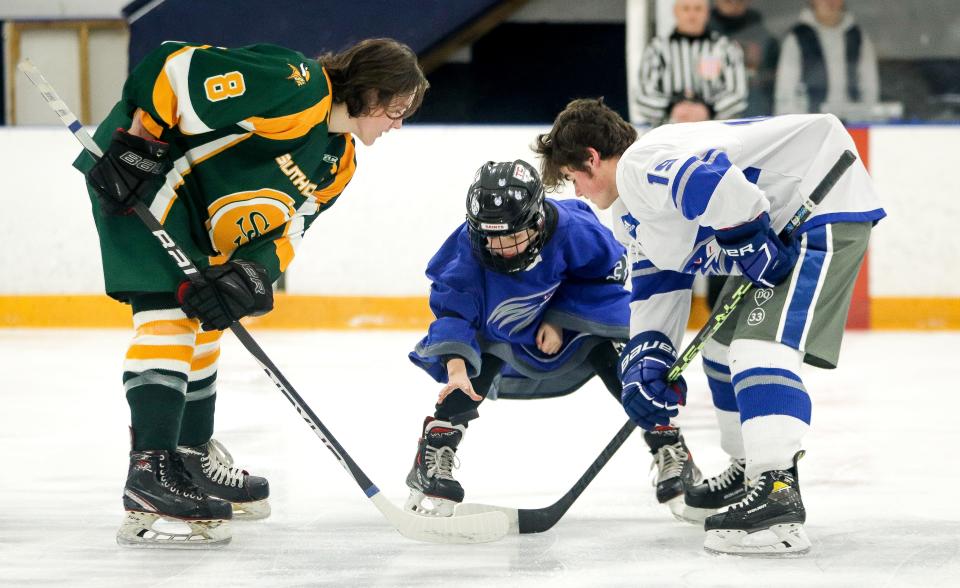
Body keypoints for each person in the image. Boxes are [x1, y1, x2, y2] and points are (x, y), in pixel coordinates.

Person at [73, 38, 428, 548]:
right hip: (144, 178)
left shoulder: (339, 161)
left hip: (199, 208)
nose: (397, 123)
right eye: (396, 109)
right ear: (369, 92)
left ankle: (190, 457)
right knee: (169, 317)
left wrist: (254, 274)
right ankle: (150, 473)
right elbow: (175, 68)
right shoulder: (295, 85)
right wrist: (141, 142)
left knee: (204, 318)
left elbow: (289, 230)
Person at [534, 98, 884, 555]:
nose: (577, 192)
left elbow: (712, 182)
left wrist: (744, 235)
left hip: (819, 203)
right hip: (787, 221)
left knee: (759, 348)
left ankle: (777, 494)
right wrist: (647, 360)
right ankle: (748, 471)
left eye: (571, 177)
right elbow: (658, 284)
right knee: (720, 349)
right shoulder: (629, 212)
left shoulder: (642, 163)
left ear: (591, 158)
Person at [404, 159, 701, 518]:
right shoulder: (466, 247)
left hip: (563, 332)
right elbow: (455, 310)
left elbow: (606, 277)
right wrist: (456, 370)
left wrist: (558, 317)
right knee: (476, 358)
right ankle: (436, 448)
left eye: (513, 235)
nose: (502, 248)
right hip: (504, 332)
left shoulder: (574, 229)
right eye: (492, 236)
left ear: (537, 220)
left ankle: (667, 442)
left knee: (612, 344)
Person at [634, 0, 748, 125]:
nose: (692, 15)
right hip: (669, 134)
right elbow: (642, 94)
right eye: (686, 9)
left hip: (714, 134)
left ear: (707, 12)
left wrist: (709, 109)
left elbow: (738, 93)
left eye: (698, 9)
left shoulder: (726, 48)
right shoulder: (657, 49)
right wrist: (671, 108)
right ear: (676, 11)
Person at [774, 0, 880, 116]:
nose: (830, 2)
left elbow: (870, 90)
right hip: (811, 122)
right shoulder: (796, 38)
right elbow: (786, 95)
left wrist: (866, 117)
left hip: (852, 124)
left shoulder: (858, 37)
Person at [709, 0, 779, 120]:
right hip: (714, 119)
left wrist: (756, 73)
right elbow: (704, 79)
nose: (733, 2)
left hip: (755, 115)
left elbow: (778, 80)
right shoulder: (704, 35)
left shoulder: (763, 36)